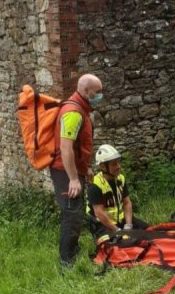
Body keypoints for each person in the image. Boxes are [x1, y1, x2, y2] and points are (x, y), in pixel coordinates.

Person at [49, 73, 103, 266]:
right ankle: (67, 262)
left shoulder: (82, 109)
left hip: (74, 170)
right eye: (97, 92)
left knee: (77, 211)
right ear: (86, 91)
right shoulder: (73, 112)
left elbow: (82, 145)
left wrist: (86, 168)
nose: (100, 96)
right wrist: (72, 178)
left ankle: (73, 249)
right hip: (64, 171)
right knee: (72, 214)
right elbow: (66, 147)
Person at [86, 144, 149, 243]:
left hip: (121, 220)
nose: (118, 166)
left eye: (118, 162)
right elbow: (99, 213)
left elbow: (127, 203)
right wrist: (117, 231)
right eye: (114, 164)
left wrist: (128, 226)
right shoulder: (95, 185)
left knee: (148, 231)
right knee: (117, 244)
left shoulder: (120, 179)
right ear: (103, 166)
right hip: (102, 224)